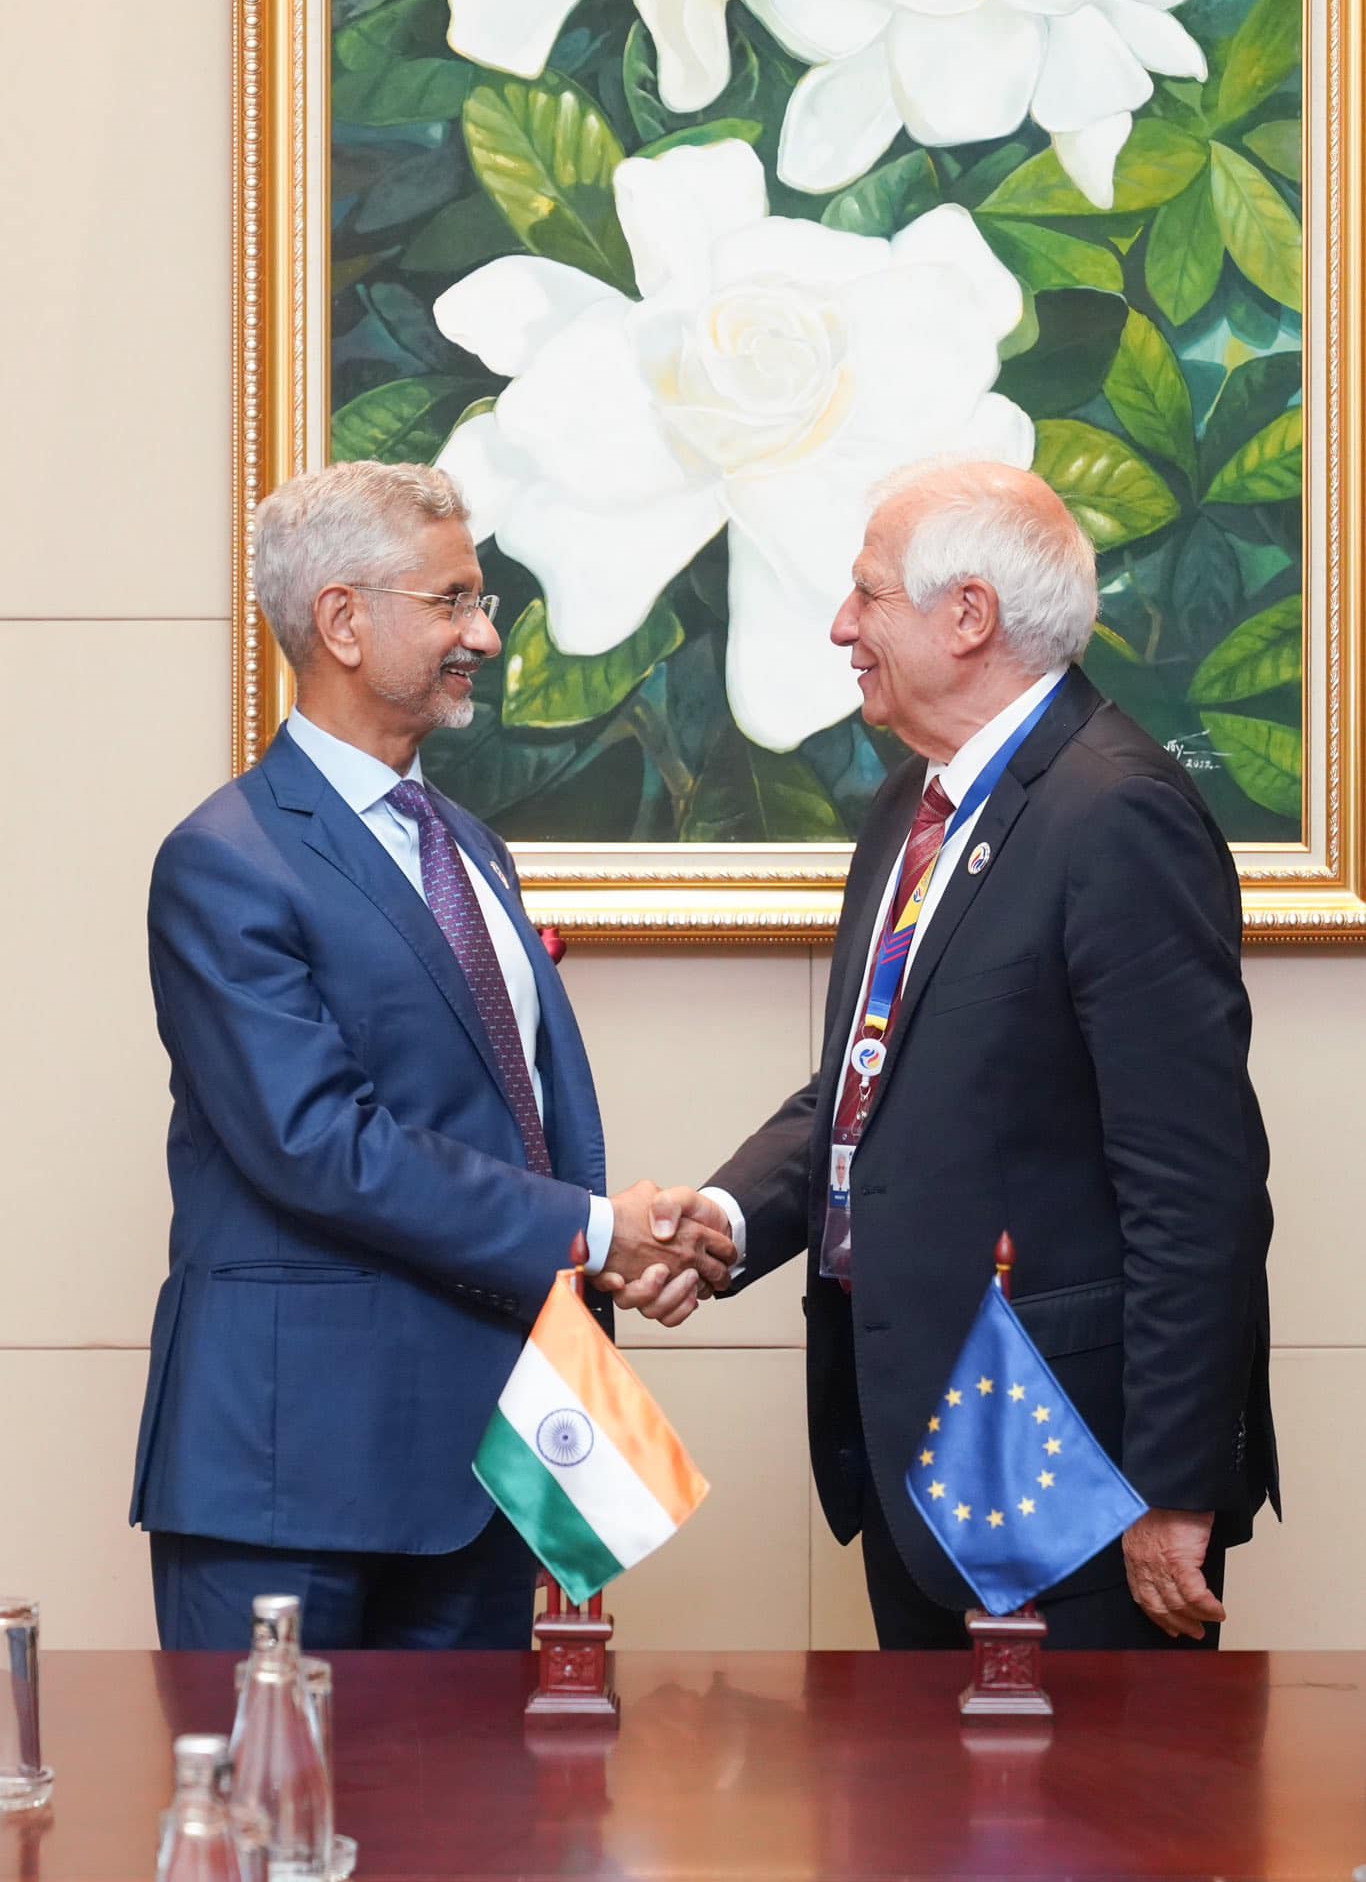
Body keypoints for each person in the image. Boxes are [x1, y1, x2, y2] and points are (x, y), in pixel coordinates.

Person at [614, 459, 1278, 1651]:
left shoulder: (1114, 810)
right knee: (919, 1830)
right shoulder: (912, 808)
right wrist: (727, 1216)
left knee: (1089, 1831)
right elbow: (872, 1080)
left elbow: (1197, 1184)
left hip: (1070, 1469)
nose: (839, 626)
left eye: (866, 595)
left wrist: (1175, 1485)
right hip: (912, 1451)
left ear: (967, 616)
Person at [131, 459, 734, 1652]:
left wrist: (610, 1242)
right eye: (454, 600)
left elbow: (501, 1114)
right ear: (342, 620)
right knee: (279, 1830)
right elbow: (320, 1146)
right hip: (291, 1474)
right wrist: (601, 1230)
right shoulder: (225, 861)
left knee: (477, 1835)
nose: (488, 635)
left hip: (484, 1463)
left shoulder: (467, 843)